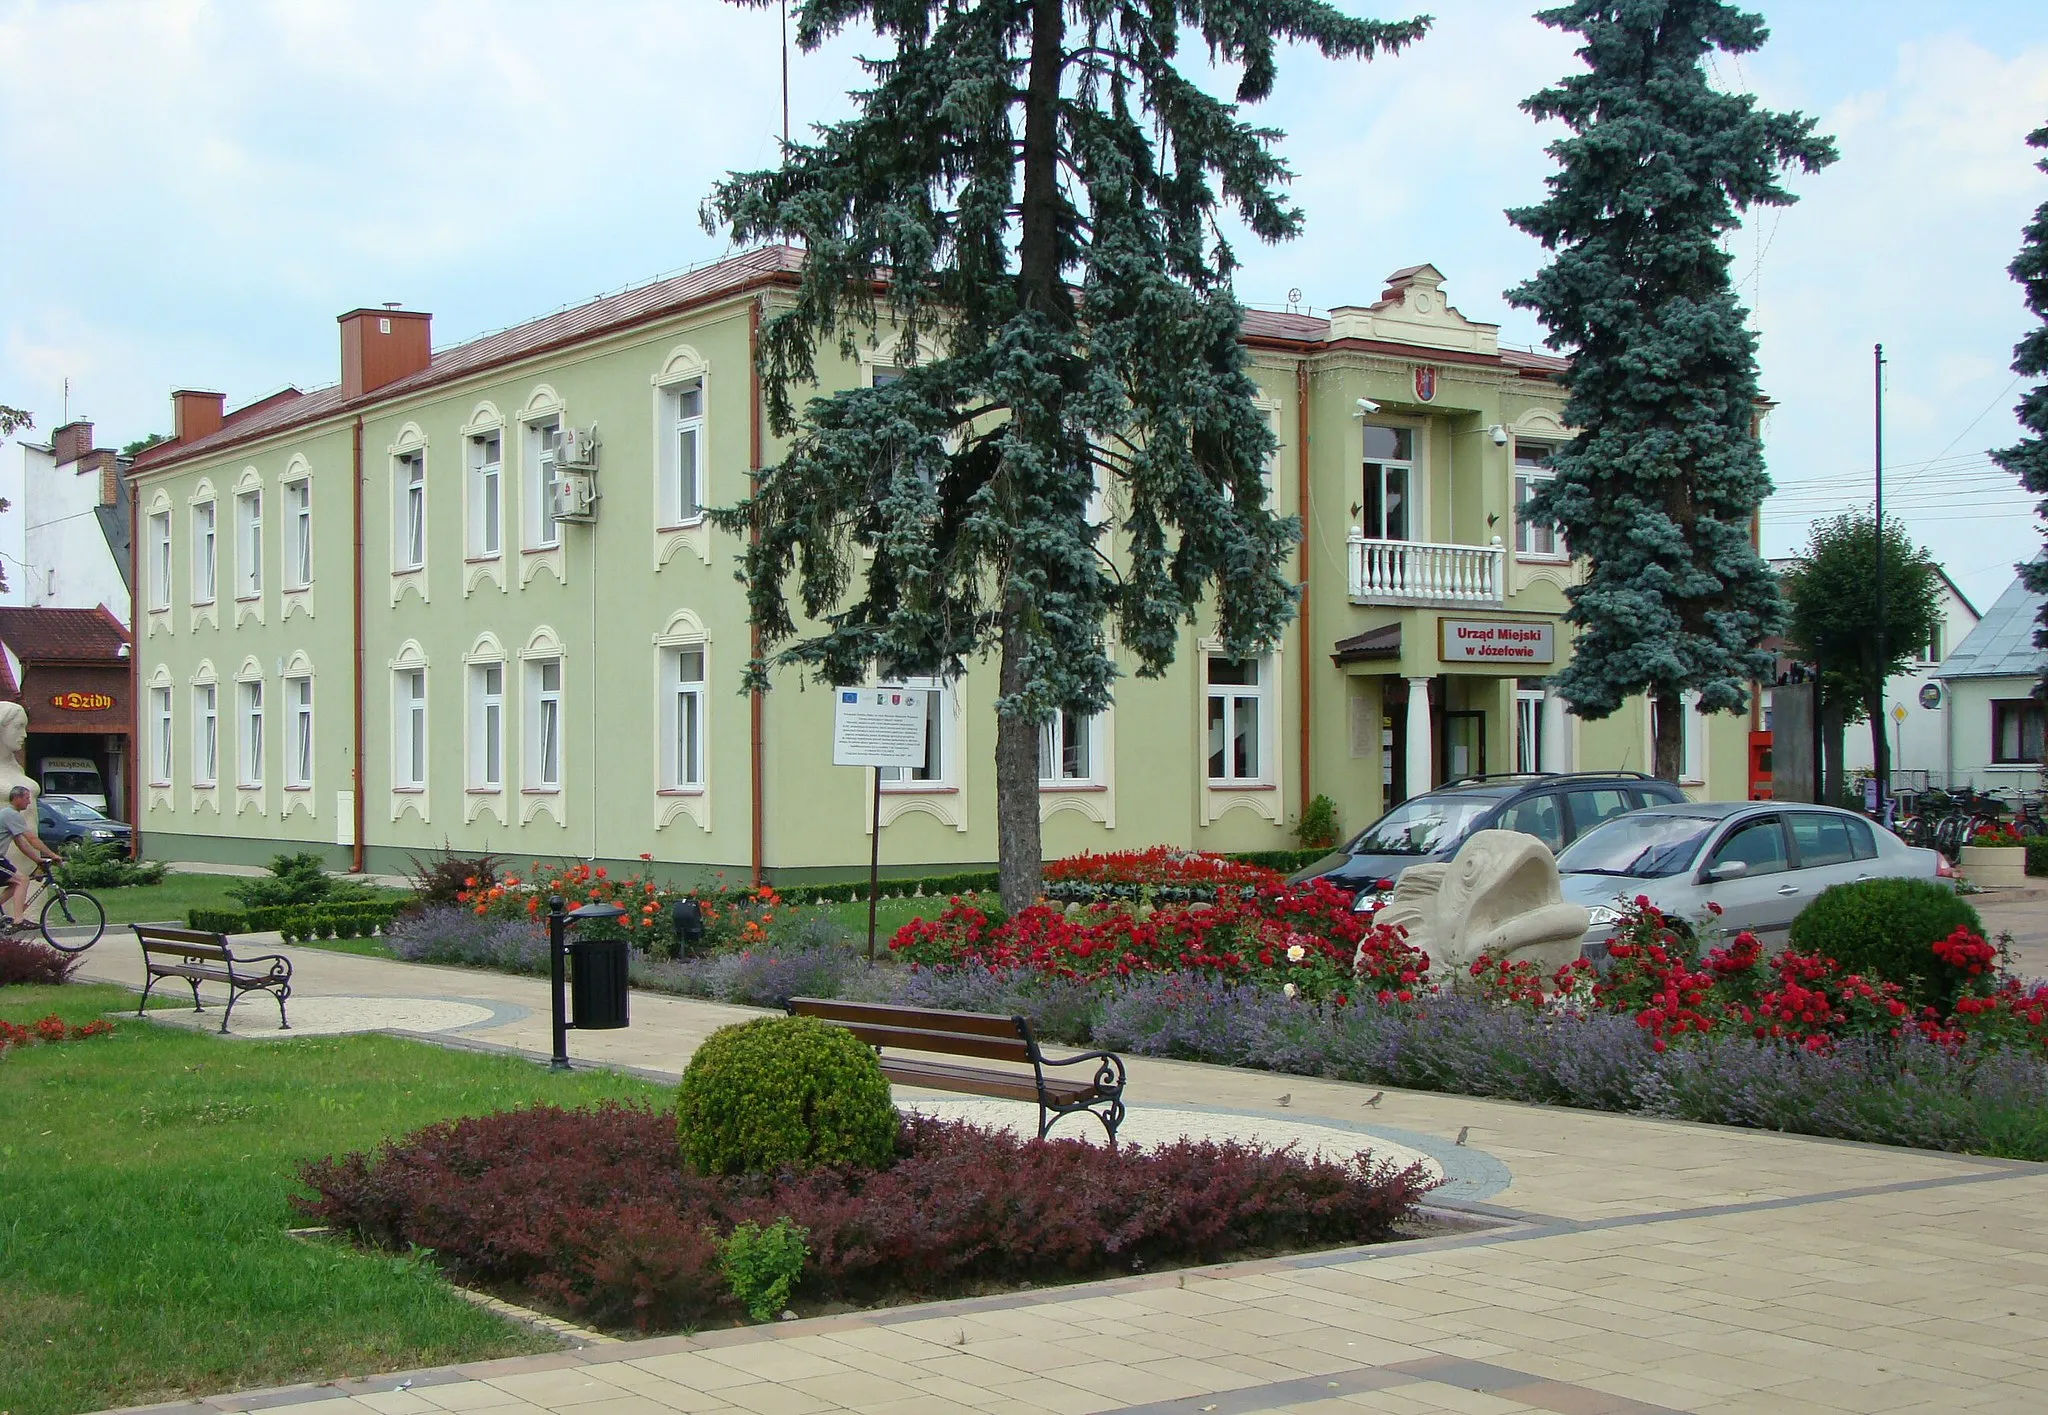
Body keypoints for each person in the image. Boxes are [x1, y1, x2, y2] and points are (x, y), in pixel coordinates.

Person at [0, 785, 61, 932]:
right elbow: (31, 839)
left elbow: (21, 843)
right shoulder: (11, 814)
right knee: (22, 880)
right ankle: (18, 920)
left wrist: (38, 860)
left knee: (15, 883)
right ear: (17, 798)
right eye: (27, 798)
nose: (29, 802)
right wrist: (53, 855)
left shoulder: (9, 815)